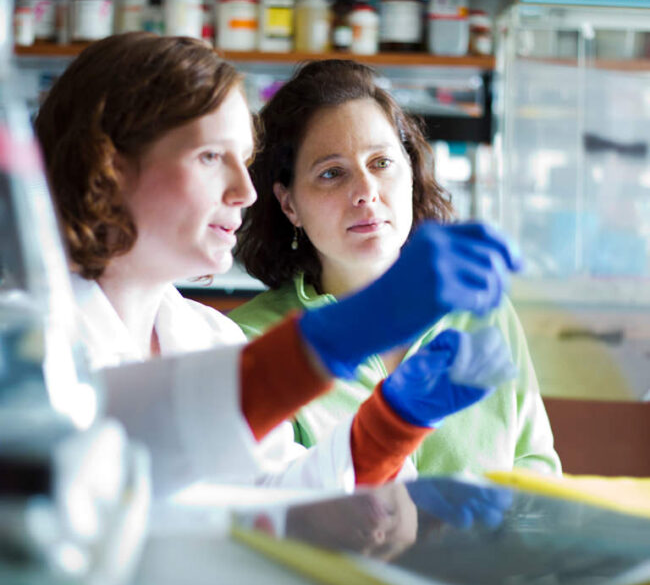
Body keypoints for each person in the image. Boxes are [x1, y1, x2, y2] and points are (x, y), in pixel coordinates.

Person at [35, 33, 522, 496]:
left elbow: (277, 502)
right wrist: (345, 332)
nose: (244, 192)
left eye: (242, 161)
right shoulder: (24, 338)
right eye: (210, 156)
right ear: (108, 165)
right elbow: (118, 446)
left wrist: (393, 424)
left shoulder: (209, 336)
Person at [231, 58, 562, 478]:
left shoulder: (483, 311)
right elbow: (269, 505)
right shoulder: (254, 342)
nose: (366, 192)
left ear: (410, 172)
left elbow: (535, 466)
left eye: (381, 162)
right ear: (289, 203)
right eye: (332, 173)